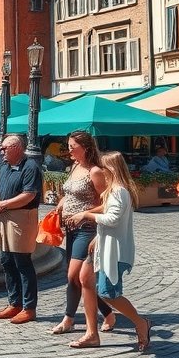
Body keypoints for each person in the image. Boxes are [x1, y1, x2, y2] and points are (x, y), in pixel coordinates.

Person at [68, 151, 152, 352]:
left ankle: (141, 323)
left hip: (112, 251)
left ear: (111, 170)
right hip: (102, 246)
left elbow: (113, 219)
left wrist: (86, 215)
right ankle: (91, 334)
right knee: (85, 279)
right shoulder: (112, 191)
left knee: (108, 293)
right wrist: (98, 236)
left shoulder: (119, 191)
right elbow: (111, 217)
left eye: (103, 168)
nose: (99, 172)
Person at [50, 131, 116, 336]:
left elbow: (107, 204)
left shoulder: (95, 171)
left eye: (72, 146)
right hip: (70, 229)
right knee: (79, 278)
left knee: (73, 275)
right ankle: (107, 312)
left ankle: (68, 319)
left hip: (87, 228)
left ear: (85, 148)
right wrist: (62, 204)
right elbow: (70, 193)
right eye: (68, 145)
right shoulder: (74, 167)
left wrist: (83, 213)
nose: (68, 149)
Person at [0, 135, 40, 325]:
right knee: (6, 260)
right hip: (4, 216)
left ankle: (29, 307)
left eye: (5, 148)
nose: (1, 151)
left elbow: (29, 195)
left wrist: (4, 204)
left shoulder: (30, 167)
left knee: (22, 262)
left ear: (17, 148)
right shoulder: (4, 167)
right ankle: (14, 303)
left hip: (21, 218)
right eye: (1, 148)